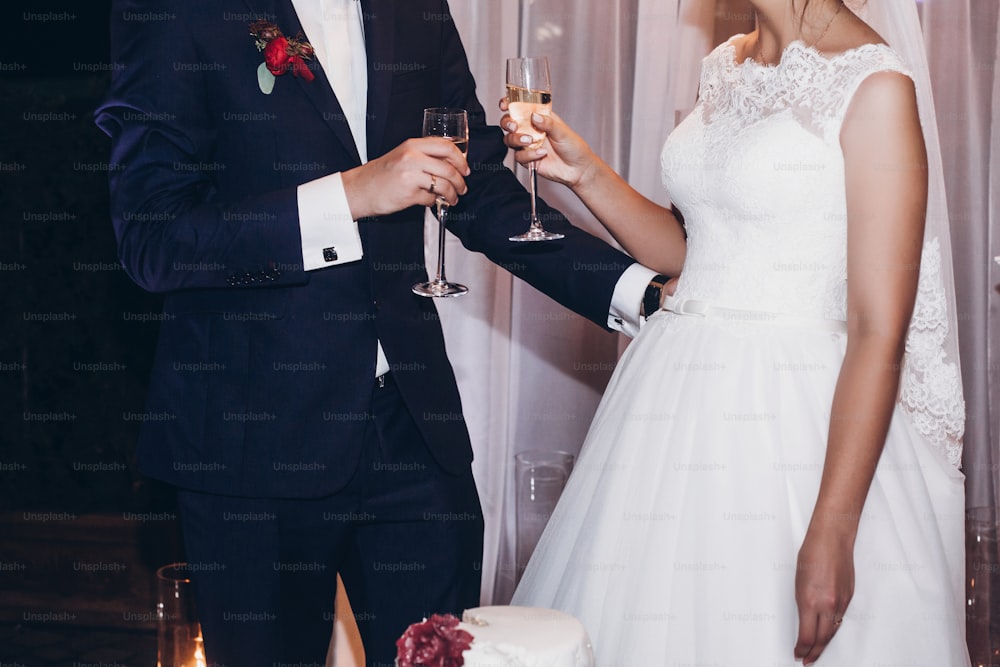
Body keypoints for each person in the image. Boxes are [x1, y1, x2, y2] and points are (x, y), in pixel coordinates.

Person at [95, 1, 666, 665]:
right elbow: (153, 237)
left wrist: (639, 292)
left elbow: (474, 181)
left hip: (413, 432)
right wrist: (352, 194)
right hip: (250, 440)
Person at [506, 0, 969, 664]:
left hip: (794, 422)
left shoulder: (876, 86)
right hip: (670, 402)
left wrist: (834, 531)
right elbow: (696, 254)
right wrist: (581, 171)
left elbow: (877, 330)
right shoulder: (725, 64)